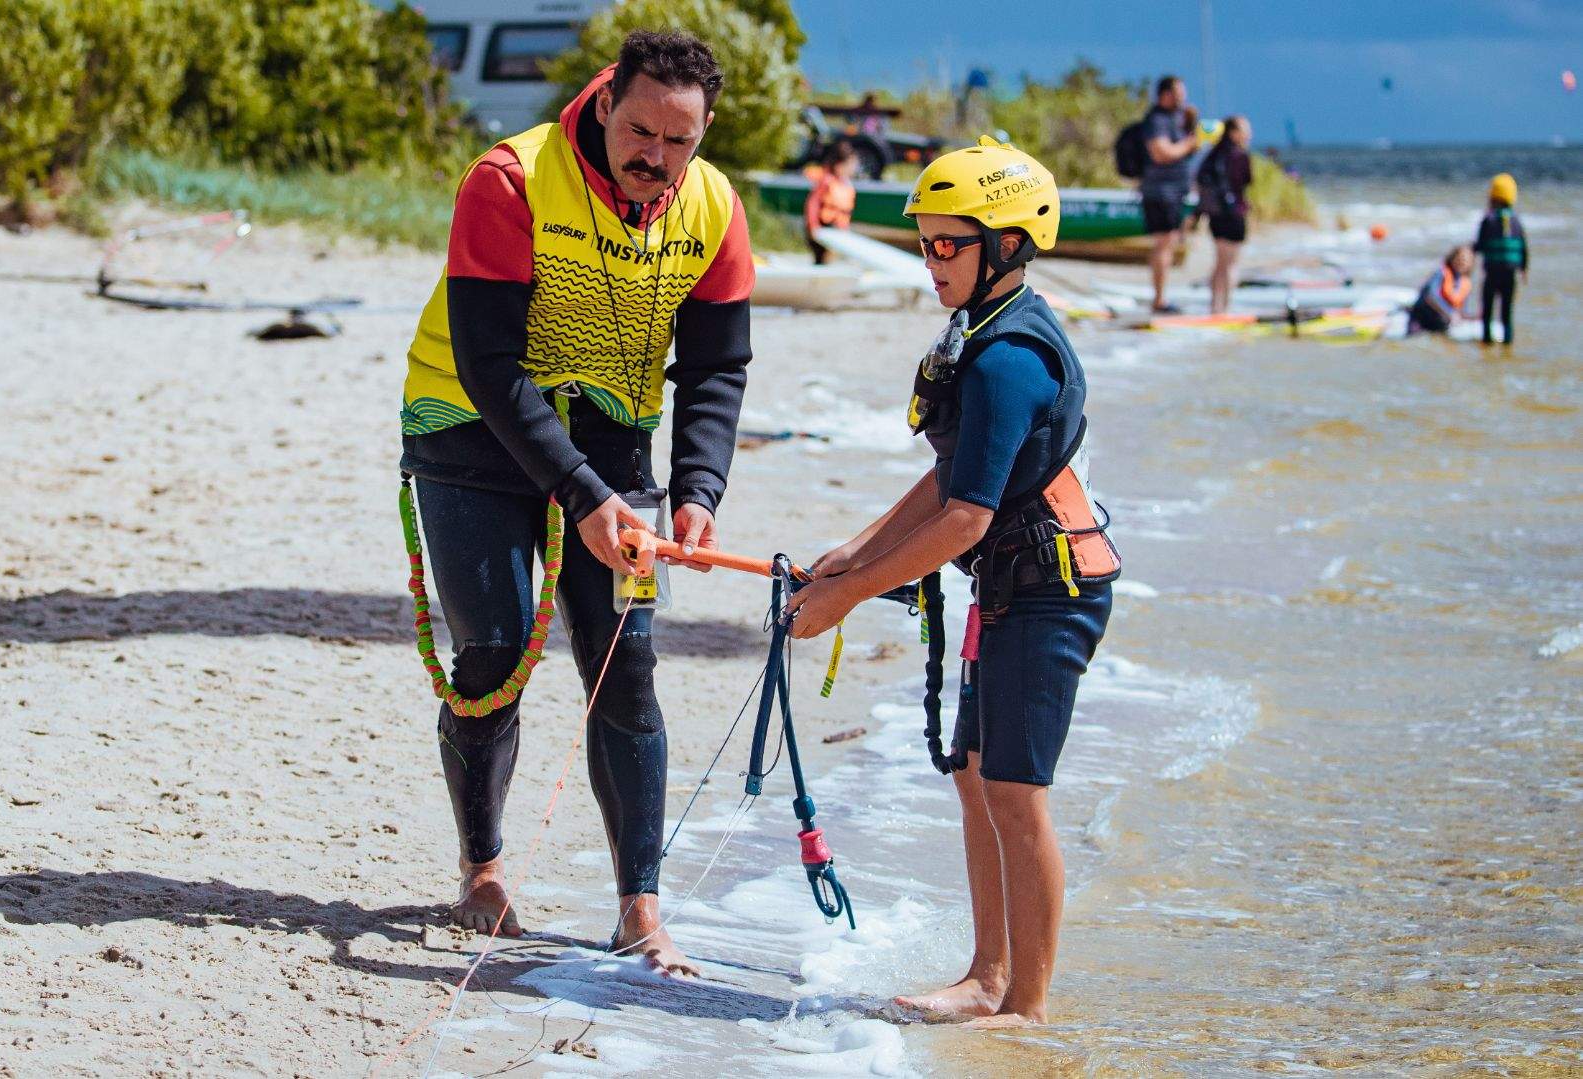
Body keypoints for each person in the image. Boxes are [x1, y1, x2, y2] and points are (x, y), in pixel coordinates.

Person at [398, 30, 755, 975]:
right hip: (469, 425)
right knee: (493, 654)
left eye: (678, 141)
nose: (655, 157)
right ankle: (482, 868)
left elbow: (716, 366)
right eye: (639, 131)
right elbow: (487, 360)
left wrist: (698, 487)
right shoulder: (509, 178)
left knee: (625, 668)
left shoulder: (714, 205)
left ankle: (640, 908)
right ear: (603, 105)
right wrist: (581, 495)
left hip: (611, 439)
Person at [788, 137, 1118, 1026]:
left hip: (1050, 592)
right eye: (923, 242)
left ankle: (1026, 1008)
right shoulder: (981, 329)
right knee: (974, 776)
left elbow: (967, 518)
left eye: (946, 244)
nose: (929, 260)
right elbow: (950, 478)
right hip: (1007, 585)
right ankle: (986, 975)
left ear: (1006, 244)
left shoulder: (1010, 358)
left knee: (1015, 793)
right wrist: (855, 551)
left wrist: (847, 596)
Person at [1140, 75, 1200, 313]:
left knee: (1170, 242)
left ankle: (1161, 296)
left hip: (1175, 191)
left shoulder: (1177, 117)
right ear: (1165, 94)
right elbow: (1161, 152)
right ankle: (1159, 299)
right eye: (1178, 94)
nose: (1182, 99)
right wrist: (1189, 143)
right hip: (1160, 192)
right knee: (1164, 243)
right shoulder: (1156, 119)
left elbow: (1187, 149)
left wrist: (1192, 126)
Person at [1198, 115, 1253, 314]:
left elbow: (1200, 180)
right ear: (1233, 132)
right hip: (1234, 213)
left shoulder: (1213, 153)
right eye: (1245, 130)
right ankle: (1226, 308)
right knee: (1231, 264)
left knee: (1220, 262)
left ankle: (1214, 306)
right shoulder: (1239, 155)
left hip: (1215, 214)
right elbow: (1246, 181)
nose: (1249, 134)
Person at [1474, 172, 1529, 345]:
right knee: (1507, 312)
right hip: (1510, 274)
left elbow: (1480, 245)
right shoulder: (1516, 221)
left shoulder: (1488, 220)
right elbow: (1523, 247)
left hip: (1492, 273)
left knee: (1488, 310)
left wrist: (1469, 250)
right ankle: (1507, 342)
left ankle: (1487, 341)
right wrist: (1524, 269)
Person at [803, 140, 858, 265]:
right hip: (823, 227)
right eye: (849, 165)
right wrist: (813, 225)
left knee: (829, 260)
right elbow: (813, 203)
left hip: (836, 228)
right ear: (839, 165)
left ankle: (822, 271)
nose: (852, 169)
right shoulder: (827, 181)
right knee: (823, 259)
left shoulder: (846, 184)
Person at [1409, 244, 1475, 336]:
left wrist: (1474, 317)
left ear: (1470, 264)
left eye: (1466, 261)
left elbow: (1463, 311)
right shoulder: (1441, 273)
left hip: (1441, 321)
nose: (1462, 263)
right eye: (1460, 259)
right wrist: (1449, 313)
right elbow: (1430, 296)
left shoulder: (1465, 283)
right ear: (1452, 259)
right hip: (1422, 316)